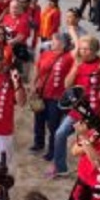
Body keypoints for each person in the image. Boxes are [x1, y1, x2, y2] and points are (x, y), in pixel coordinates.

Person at [48, 35, 100, 179]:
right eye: (81, 49)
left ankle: (92, 171)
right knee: (60, 134)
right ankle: (60, 168)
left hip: (95, 112)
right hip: (77, 110)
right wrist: (76, 66)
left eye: (87, 49)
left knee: (90, 144)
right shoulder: (78, 63)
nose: (83, 52)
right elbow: (66, 85)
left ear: (95, 51)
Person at [29, 33, 74, 161]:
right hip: (41, 93)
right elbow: (37, 69)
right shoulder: (45, 54)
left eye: (55, 40)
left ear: (63, 44)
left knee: (53, 124)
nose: (52, 42)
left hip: (56, 96)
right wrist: (33, 84)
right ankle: (38, 143)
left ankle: (52, 150)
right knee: (39, 119)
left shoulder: (68, 58)